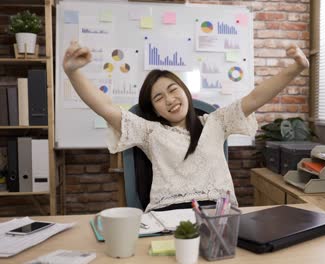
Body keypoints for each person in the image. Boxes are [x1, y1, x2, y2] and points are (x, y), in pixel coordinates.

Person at [62, 41, 309, 212]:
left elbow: (256, 97)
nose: (169, 100)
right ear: (154, 109)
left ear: (185, 92)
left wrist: (296, 67)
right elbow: (105, 107)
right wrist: (73, 73)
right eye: (158, 98)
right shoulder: (150, 133)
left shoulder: (216, 121)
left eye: (172, 90)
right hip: (167, 216)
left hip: (219, 214)